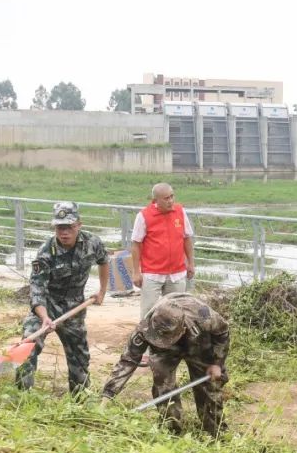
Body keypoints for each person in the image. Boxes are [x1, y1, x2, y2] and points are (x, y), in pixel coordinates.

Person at [102, 293, 229, 436]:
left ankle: (216, 432)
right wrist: (108, 395)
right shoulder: (146, 327)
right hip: (165, 353)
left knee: (209, 387)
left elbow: (223, 332)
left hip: (198, 341)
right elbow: (128, 360)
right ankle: (172, 430)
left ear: (182, 329)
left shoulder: (203, 317)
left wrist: (218, 363)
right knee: (163, 386)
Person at [15, 202, 108, 394]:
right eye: (60, 228)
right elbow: (37, 290)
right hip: (47, 305)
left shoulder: (93, 242)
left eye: (69, 227)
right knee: (27, 345)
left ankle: (79, 401)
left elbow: (104, 261)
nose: (64, 232)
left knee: (80, 359)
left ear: (79, 225)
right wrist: (43, 317)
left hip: (75, 307)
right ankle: (22, 396)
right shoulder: (46, 252)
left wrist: (102, 291)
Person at [131, 183, 196, 318]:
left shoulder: (180, 212)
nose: (171, 201)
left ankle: (173, 339)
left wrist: (191, 263)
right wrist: (136, 272)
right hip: (152, 274)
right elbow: (136, 244)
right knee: (148, 313)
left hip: (177, 273)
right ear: (156, 200)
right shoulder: (144, 216)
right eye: (166, 198)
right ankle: (145, 337)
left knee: (176, 313)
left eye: (172, 196)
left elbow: (187, 238)